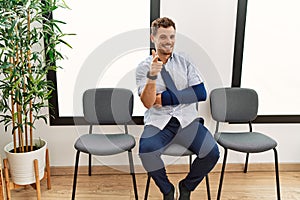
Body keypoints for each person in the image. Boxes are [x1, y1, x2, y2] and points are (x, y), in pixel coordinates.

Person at [136, 17, 219, 200]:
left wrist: (164, 98)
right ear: (153, 38)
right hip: (159, 122)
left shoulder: (185, 62)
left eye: (172, 36)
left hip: (187, 120)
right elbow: (148, 103)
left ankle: (186, 186)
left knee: (212, 153)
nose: (168, 41)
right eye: (163, 37)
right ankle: (167, 190)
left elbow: (200, 93)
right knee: (146, 151)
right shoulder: (143, 68)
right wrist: (152, 76)